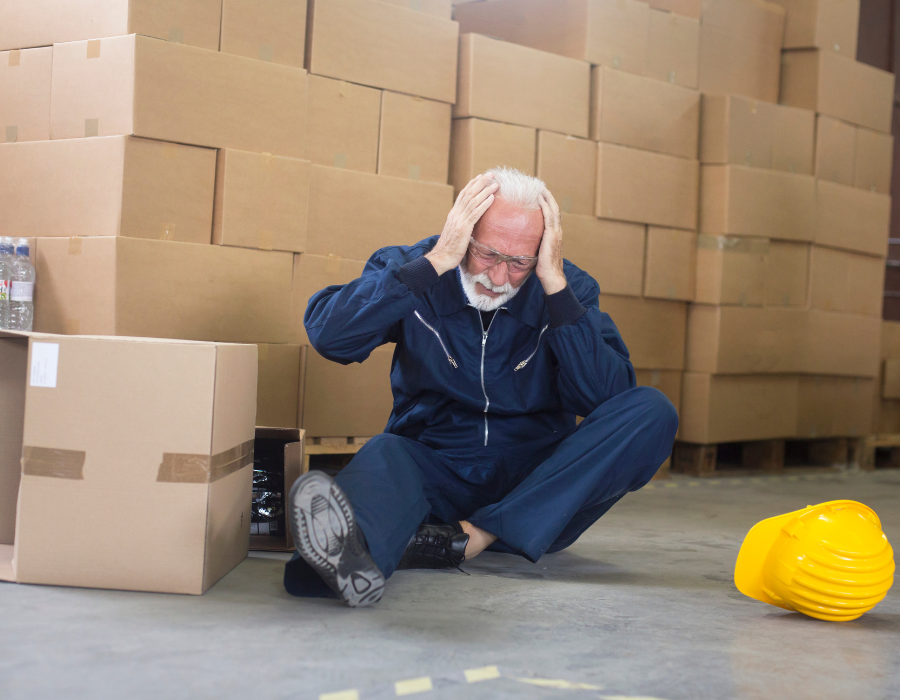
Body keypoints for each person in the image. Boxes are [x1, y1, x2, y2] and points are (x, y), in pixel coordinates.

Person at [285, 168, 678, 607]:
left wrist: (554, 286)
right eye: (487, 254)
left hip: (540, 489)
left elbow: (608, 398)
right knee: (385, 453)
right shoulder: (414, 266)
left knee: (653, 410)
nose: (499, 276)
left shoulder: (568, 289)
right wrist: (436, 263)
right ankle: (344, 561)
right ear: (463, 230)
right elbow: (330, 336)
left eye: (519, 263)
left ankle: (475, 537)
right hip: (438, 468)